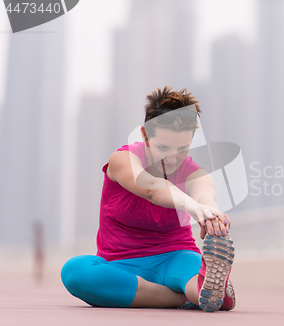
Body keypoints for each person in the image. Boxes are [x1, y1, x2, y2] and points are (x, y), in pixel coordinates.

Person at [61, 86, 235, 312]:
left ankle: (206, 292)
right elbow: (153, 188)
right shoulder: (122, 160)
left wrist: (210, 214)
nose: (173, 158)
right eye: (163, 147)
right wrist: (191, 206)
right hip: (120, 265)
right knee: (75, 272)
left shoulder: (194, 172)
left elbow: (205, 194)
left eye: (183, 148)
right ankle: (184, 298)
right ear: (144, 134)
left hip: (175, 256)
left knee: (200, 286)